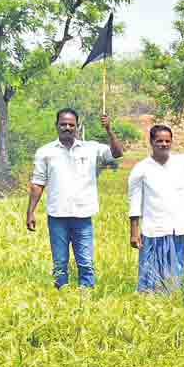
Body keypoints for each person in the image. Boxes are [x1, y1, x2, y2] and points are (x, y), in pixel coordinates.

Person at [26, 109, 124, 289]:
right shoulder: (45, 152)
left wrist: (109, 129)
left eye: (71, 124)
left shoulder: (91, 148)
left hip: (83, 216)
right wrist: (30, 212)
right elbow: (38, 183)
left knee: (86, 263)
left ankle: (86, 297)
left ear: (77, 127)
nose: (67, 128)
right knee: (60, 264)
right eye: (63, 124)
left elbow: (117, 153)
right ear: (56, 126)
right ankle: (61, 296)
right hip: (57, 216)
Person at [128, 118, 184, 294]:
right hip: (154, 230)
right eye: (159, 141)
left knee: (175, 273)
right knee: (150, 273)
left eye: (167, 141)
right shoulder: (141, 169)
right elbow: (135, 201)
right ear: (151, 142)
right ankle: (149, 301)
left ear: (171, 142)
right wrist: (134, 232)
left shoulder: (181, 163)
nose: (164, 144)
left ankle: (171, 300)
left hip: (177, 228)